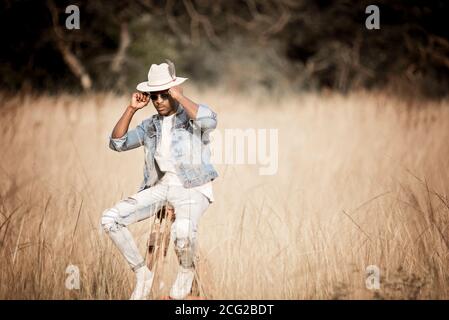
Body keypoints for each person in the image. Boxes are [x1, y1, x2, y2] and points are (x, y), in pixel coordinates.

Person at [100, 60, 218, 300]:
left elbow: (210, 121)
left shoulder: (191, 118)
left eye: (164, 95)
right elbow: (117, 143)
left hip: (192, 189)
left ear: (173, 93)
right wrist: (131, 109)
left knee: (182, 231)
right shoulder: (150, 125)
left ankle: (186, 272)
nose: (159, 101)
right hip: (160, 189)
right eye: (155, 97)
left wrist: (180, 97)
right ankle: (143, 274)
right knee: (110, 219)